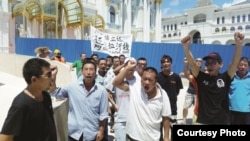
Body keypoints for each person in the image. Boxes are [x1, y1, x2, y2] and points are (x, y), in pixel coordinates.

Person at [181, 32, 245, 124]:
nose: (209, 65)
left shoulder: (225, 78)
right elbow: (192, 64)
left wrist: (239, 45)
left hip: (221, 121)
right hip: (203, 121)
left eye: (213, 62)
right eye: (207, 63)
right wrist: (186, 48)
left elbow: (234, 63)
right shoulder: (201, 77)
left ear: (221, 64)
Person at [113, 59, 171, 141]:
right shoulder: (135, 86)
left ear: (155, 81)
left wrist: (166, 137)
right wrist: (126, 68)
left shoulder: (162, 94)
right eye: (144, 79)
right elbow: (116, 83)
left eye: (150, 80)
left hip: (152, 138)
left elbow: (166, 117)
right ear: (141, 79)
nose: (146, 82)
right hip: (132, 137)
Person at [50, 60, 109, 141]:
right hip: (74, 134)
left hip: (92, 134)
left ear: (95, 73)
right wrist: (53, 77)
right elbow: (55, 93)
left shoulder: (101, 90)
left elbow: (103, 114)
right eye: (86, 69)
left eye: (91, 69)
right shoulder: (72, 87)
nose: (88, 72)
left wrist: (101, 131)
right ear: (82, 71)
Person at [0, 58, 57, 141]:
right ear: (34, 79)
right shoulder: (20, 104)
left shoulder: (45, 96)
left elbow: (53, 88)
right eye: (48, 75)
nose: (51, 78)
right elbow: (4, 138)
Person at [229, 57, 250, 124]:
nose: (243, 67)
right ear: (237, 66)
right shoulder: (231, 77)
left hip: (246, 111)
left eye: (245, 65)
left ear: (248, 67)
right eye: (241, 65)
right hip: (231, 110)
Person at [181, 57, 202, 124]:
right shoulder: (191, 70)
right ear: (195, 62)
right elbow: (186, 74)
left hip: (198, 93)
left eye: (200, 61)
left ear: (201, 63)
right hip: (190, 91)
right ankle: (184, 120)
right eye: (197, 61)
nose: (198, 62)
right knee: (185, 106)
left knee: (197, 109)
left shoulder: (203, 72)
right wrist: (186, 65)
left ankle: (196, 121)